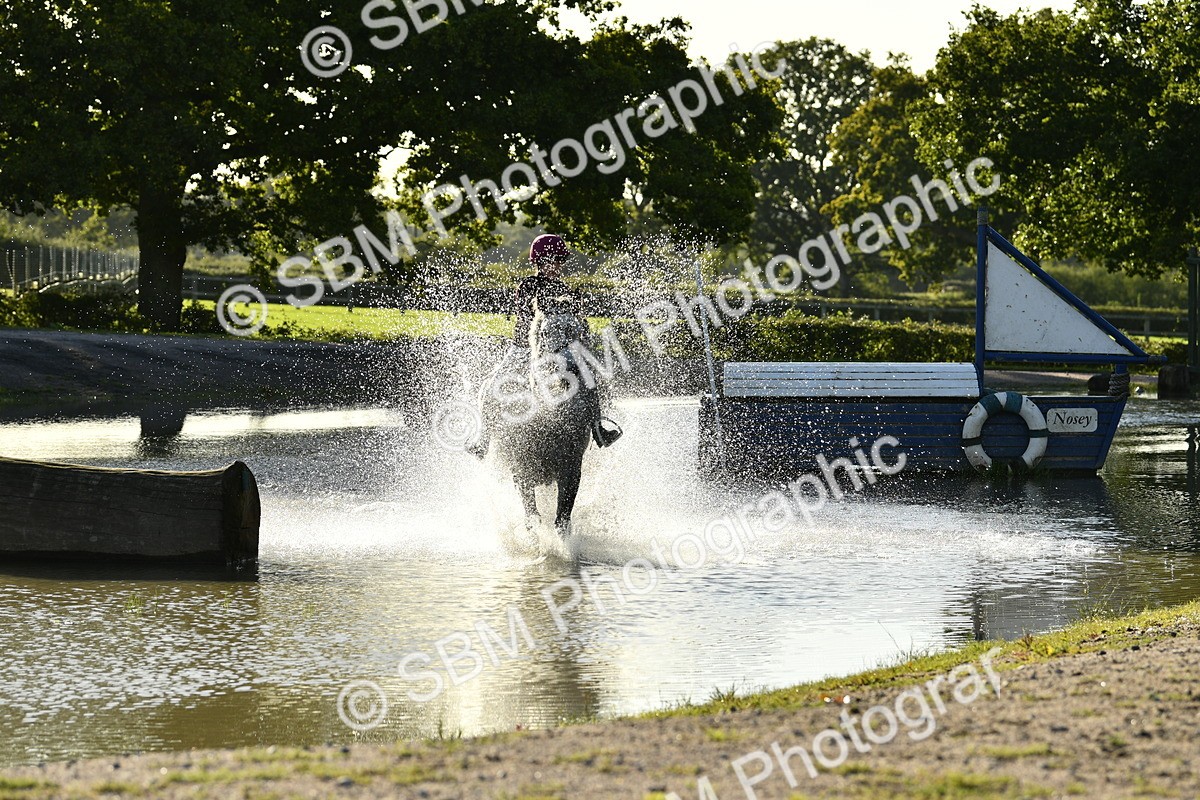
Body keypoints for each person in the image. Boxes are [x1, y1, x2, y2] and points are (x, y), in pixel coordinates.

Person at [467, 234, 620, 459]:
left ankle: (598, 429)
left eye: (559, 260)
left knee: (590, 379)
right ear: (539, 262)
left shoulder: (565, 288)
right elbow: (528, 316)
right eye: (552, 260)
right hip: (524, 348)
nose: (556, 265)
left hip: (559, 350)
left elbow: (576, 321)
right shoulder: (529, 285)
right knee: (492, 387)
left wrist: (578, 319)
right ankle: (483, 440)